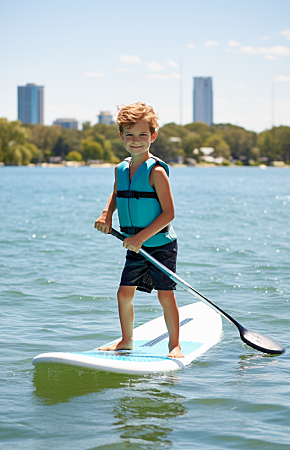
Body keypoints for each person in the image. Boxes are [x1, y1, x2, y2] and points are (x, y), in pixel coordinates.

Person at [94, 102, 184, 358]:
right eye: (130, 135)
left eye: (142, 134)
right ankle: (126, 339)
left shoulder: (156, 172)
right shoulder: (120, 169)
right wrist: (106, 214)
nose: (136, 141)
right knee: (124, 293)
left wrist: (141, 237)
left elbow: (169, 213)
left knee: (165, 295)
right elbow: (117, 194)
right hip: (135, 243)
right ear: (121, 136)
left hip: (160, 244)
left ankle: (174, 345)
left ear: (153, 136)